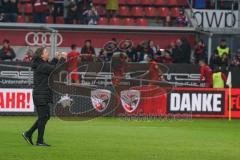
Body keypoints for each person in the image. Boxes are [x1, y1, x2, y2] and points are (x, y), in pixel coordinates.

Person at [22, 47, 65, 147]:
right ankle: (39, 141)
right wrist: (62, 58)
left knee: (45, 117)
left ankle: (28, 134)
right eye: (46, 52)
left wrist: (55, 59)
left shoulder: (41, 64)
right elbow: (55, 70)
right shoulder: (41, 66)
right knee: (43, 117)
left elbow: (50, 66)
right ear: (41, 55)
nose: (47, 53)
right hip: (41, 94)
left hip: (42, 94)